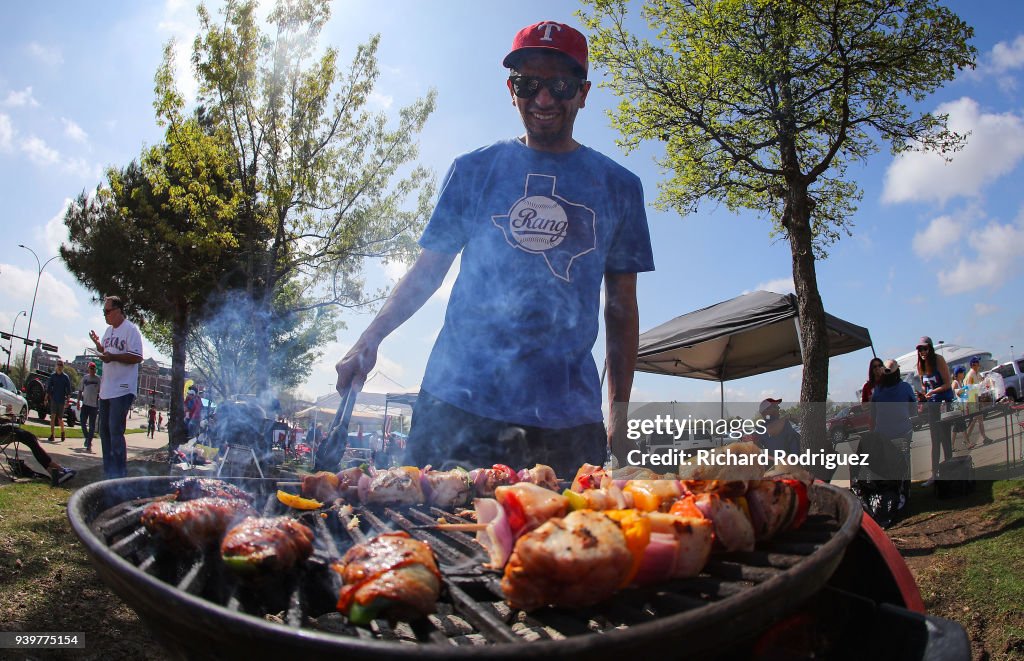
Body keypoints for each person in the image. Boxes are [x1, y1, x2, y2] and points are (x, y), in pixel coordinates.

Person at [334, 21, 654, 477]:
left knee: (566, 544)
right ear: (511, 89)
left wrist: (618, 412)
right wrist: (369, 340)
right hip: (457, 404)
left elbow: (621, 308)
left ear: (583, 93)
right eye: (529, 83)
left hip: (565, 420)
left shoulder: (620, 187)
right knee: (424, 536)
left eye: (560, 85)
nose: (543, 100)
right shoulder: (473, 170)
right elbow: (428, 270)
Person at [88, 295, 144, 479]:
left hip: (123, 387)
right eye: (104, 311)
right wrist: (98, 345)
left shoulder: (130, 330)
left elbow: (136, 357)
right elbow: (107, 353)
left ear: (118, 310)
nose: (105, 315)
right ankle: (108, 471)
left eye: (108, 311)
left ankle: (119, 474)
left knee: (114, 429)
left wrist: (113, 356)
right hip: (107, 389)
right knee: (103, 430)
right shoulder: (108, 331)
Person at [861, 359, 918, 523]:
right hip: (903, 433)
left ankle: (892, 496)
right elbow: (913, 409)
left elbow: (873, 413)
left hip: (884, 435)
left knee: (888, 467)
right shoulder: (905, 387)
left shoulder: (878, 390)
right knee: (904, 464)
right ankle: (904, 495)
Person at [915, 336, 954, 487]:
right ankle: (934, 474)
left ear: (930, 348)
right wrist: (922, 395)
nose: (922, 352)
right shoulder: (920, 365)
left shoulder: (939, 360)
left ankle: (950, 472)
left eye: (925, 348)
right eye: (920, 349)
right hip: (932, 404)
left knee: (945, 438)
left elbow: (947, 383)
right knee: (934, 439)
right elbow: (925, 386)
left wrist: (933, 391)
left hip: (944, 401)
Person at [1, 421, 76, 486]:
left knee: (30, 437)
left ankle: (57, 470)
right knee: (29, 437)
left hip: (7, 429)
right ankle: (56, 471)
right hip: (4, 432)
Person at [962, 355, 993, 447]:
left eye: (978, 363)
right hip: (972, 399)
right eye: (977, 363)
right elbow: (969, 389)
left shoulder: (976, 373)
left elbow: (980, 383)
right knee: (976, 420)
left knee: (977, 420)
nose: (979, 365)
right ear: (973, 365)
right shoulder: (970, 375)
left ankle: (974, 438)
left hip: (976, 399)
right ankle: (976, 438)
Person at [44, 359, 73, 443]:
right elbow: (49, 388)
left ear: (63, 367)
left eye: (61, 365)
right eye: (58, 364)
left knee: (60, 419)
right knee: (52, 417)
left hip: (61, 400)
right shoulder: (53, 376)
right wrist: (45, 398)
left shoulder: (65, 377)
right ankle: (52, 435)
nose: (59, 366)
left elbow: (69, 390)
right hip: (54, 399)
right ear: (56, 366)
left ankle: (62, 432)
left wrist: (67, 401)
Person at [79, 361, 101, 453]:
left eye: (93, 368)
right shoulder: (85, 378)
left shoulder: (98, 379)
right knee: (83, 422)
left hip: (93, 406)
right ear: (88, 369)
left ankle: (88, 444)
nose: (92, 370)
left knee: (91, 426)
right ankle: (87, 438)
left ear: (95, 369)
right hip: (85, 404)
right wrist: (78, 402)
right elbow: (80, 390)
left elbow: (100, 392)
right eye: (90, 368)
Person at [949, 365, 969, 450]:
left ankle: (951, 446)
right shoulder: (955, 383)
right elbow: (953, 393)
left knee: (956, 428)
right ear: (958, 374)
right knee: (963, 425)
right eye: (962, 372)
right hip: (956, 407)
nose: (963, 374)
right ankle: (968, 443)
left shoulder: (961, 383)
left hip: (960, 406)